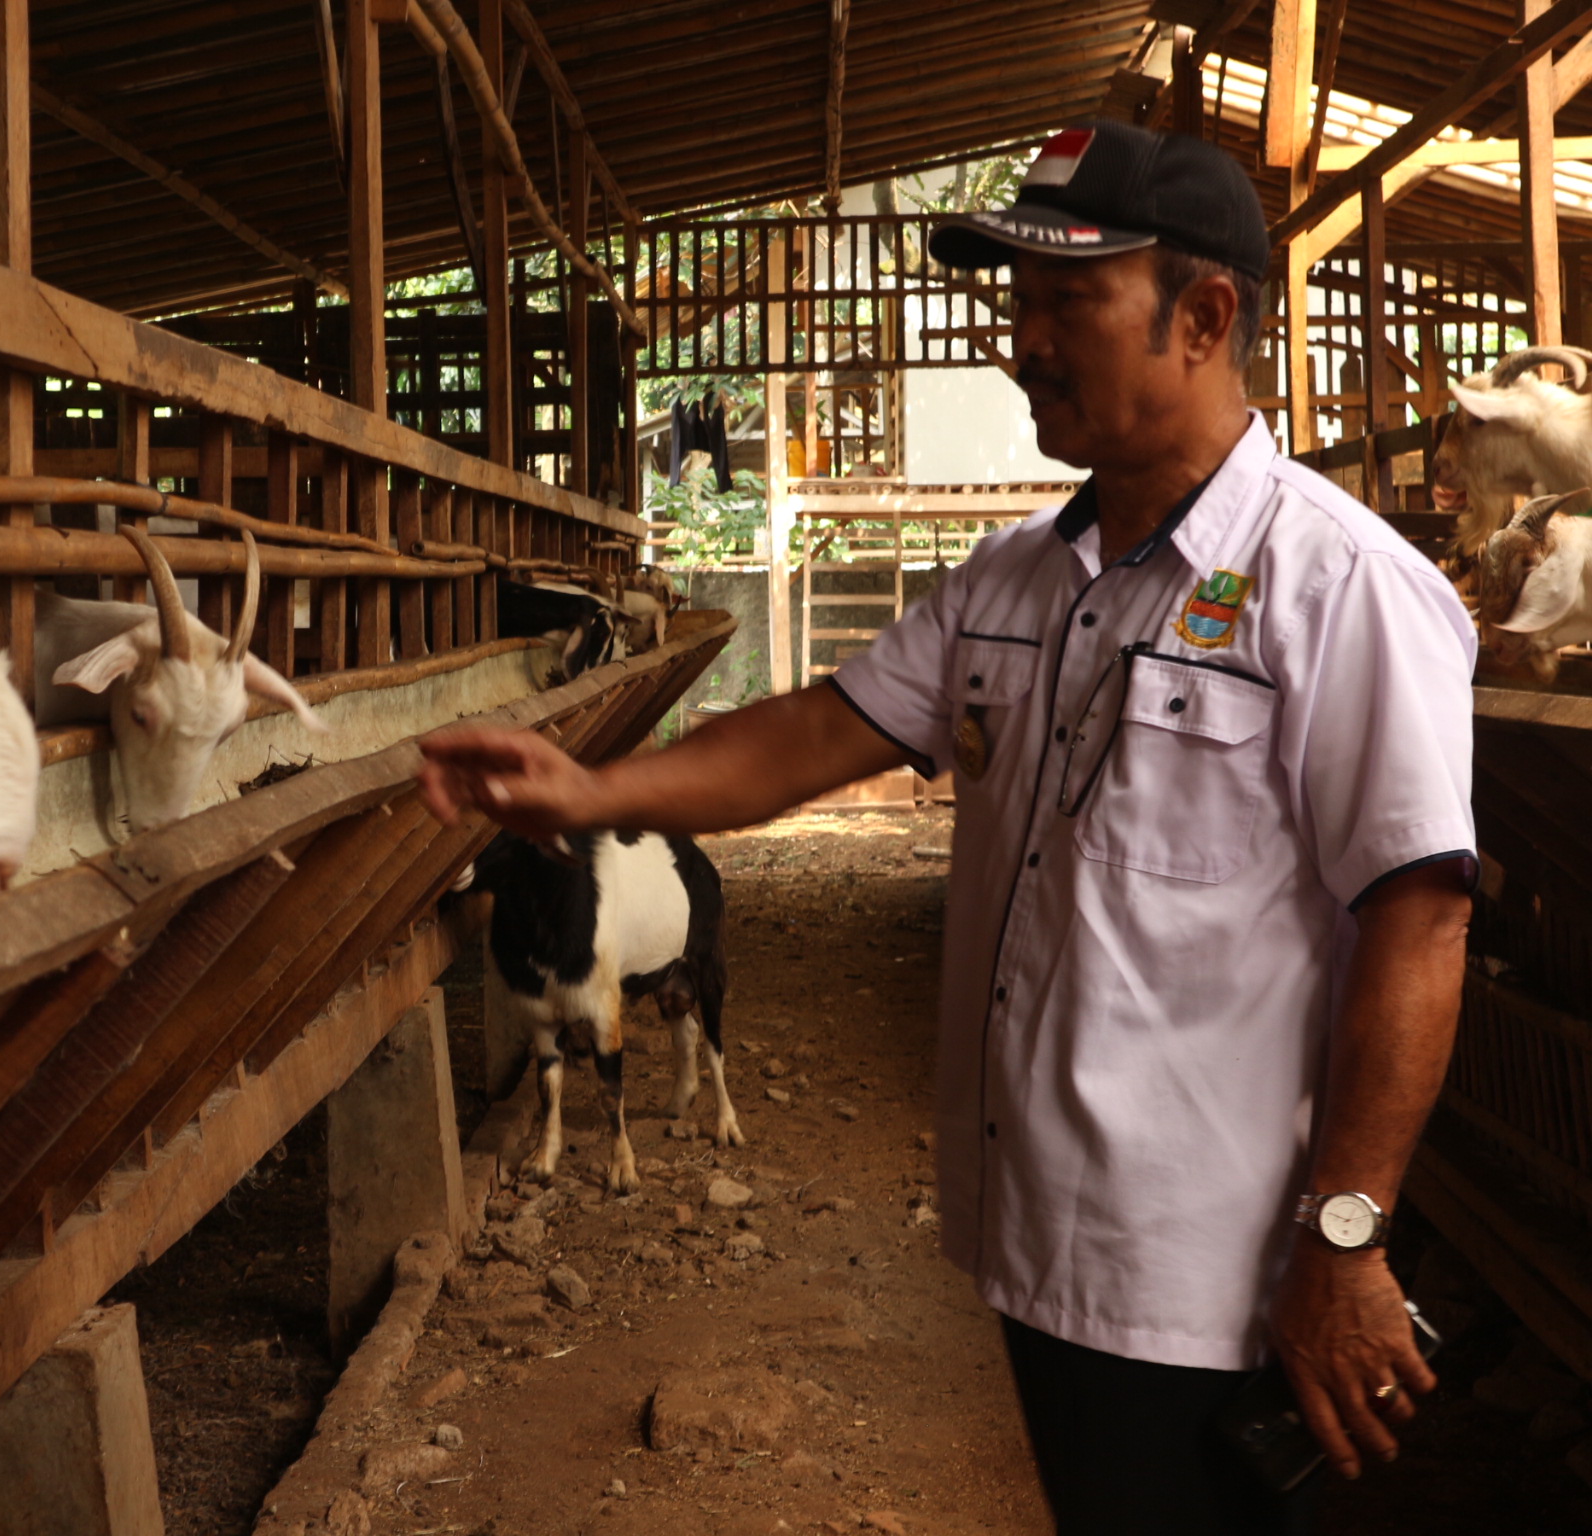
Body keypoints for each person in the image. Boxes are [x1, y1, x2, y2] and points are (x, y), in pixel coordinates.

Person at [417, 121, 1475, 1535]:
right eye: (1010, 302)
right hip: (1036, 1241)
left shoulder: (1340, 587)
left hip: (1218, 1273)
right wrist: (590, 791)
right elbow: (812, 730)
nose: (1017, 342)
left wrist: (1348, 1241)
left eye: (1062, 303)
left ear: (1205, 315)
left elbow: (1419, 917)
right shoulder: (1015, 582)